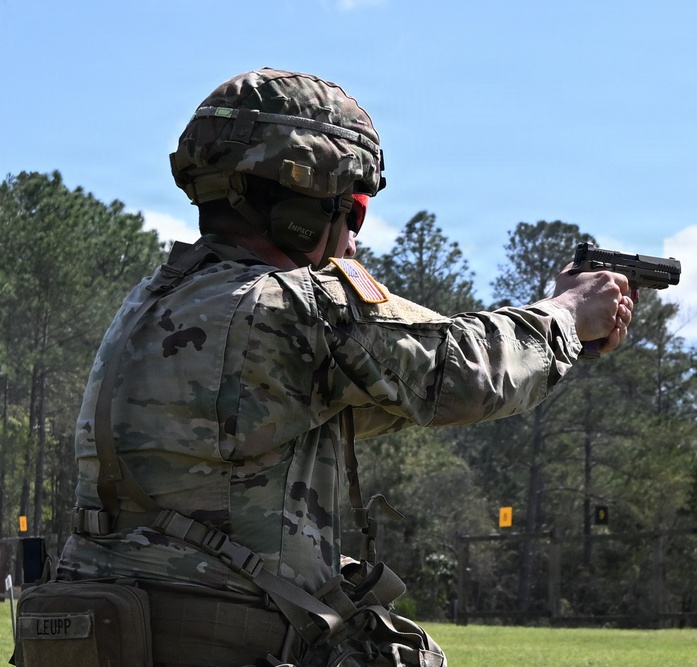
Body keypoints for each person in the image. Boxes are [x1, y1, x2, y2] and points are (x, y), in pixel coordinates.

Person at [55, 68, 632, 666]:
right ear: (303, 202)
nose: (353, 240)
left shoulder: (152, 302)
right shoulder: (293, 307)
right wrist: (567, 314)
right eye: (352, 211)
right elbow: (459, 372)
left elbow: (371, 398)